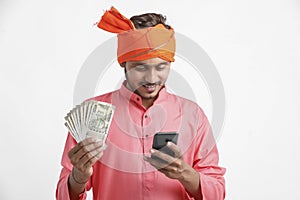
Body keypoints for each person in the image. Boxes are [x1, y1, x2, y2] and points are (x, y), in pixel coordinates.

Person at [56, 6, 226, 200]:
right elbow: (62, 195)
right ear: (123, 63)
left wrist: (185, 173)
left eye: (161, 66)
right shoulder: (91, 113)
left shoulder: (193, 115)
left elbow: (217, 193)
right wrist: (78, 177)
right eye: (140, 67)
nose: (151, 78)